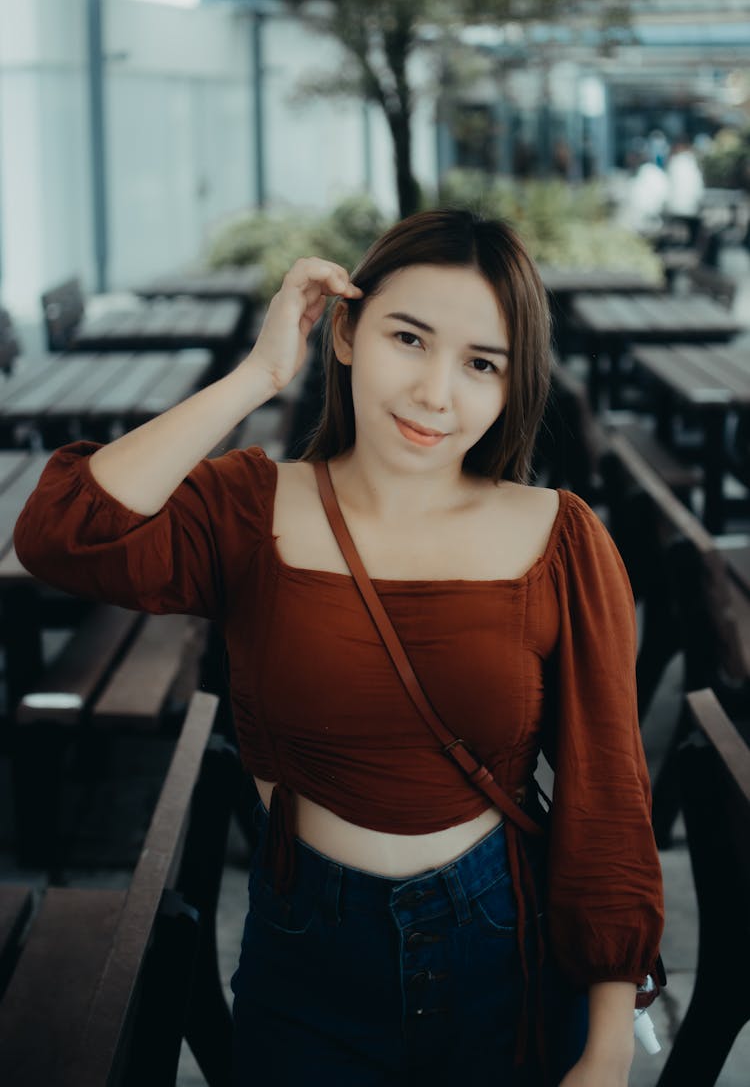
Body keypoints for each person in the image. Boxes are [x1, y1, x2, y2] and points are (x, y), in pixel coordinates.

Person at [14, 209, 664, 1087]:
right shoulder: (249, 510)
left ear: (513, 387)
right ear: (348, 331)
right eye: (409, 337)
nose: (437, 392)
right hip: (306, 949)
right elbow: (62, 531)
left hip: (501, 946)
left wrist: (609, 1045)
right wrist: (261, 373)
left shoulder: (562, 541)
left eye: (482, 364)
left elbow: (606, 800)